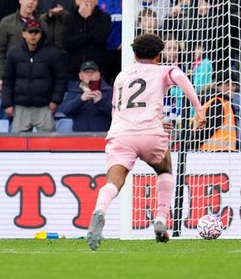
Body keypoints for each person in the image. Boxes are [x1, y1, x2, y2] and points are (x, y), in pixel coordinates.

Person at [87, 34, 206, 250]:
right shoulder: (163, 70)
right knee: (165, 170)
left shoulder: (121, 76)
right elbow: (179, 76)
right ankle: (160, 218)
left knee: (114, 180)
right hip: (150, 132)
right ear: (159, 55)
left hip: (121, 133)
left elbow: (119, 109)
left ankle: (100, 210)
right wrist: (198, 109)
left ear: (134, 54)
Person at [2, 19, 66, 132]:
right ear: (23, 33)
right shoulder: (14, 53)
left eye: (36, 32)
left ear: (41, 34)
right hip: (21, 108)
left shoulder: (52, 53)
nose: (33, 35)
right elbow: (7, 80)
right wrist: (7, 103)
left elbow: (60, 79)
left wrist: (55, 101)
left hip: (44, 107)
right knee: (19, 147)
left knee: (48, 146)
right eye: (30, 32)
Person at [58, 60, 112, 132]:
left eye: (92, 72)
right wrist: (81, 99)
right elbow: (65, 110)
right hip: (79, 136)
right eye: (86, 72)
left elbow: (115, 113)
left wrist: (100, 102)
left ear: (99, 74)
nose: (89, 75)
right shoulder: (74, 91)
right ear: (80, 76)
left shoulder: (108, 91)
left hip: (102, 135)